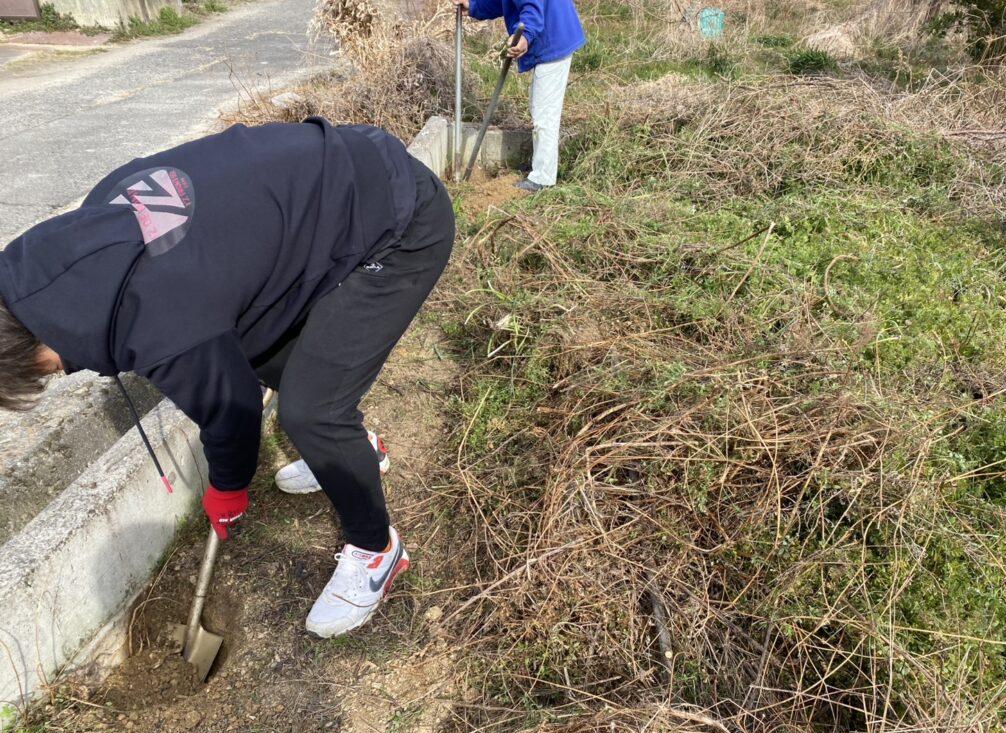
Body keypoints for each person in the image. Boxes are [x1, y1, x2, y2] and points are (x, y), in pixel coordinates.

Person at [0, 117, 455, 638]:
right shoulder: (88, 234)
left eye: (40, 372)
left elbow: (232, 410)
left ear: (27, 342)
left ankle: (378, 550)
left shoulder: (154, 314)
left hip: (399, 218)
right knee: (258, 351)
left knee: (311, 411)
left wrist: (228, 486)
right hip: (340, 179)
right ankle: (353, 449)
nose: (55, 374)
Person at [455, 0, 585, 192]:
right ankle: (540, 164)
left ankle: (543, 178)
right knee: (539, 107)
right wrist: (474, 7)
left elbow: (532, 7)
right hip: (550, 32)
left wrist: (525, 35)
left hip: (553, 37)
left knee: (544, 113)